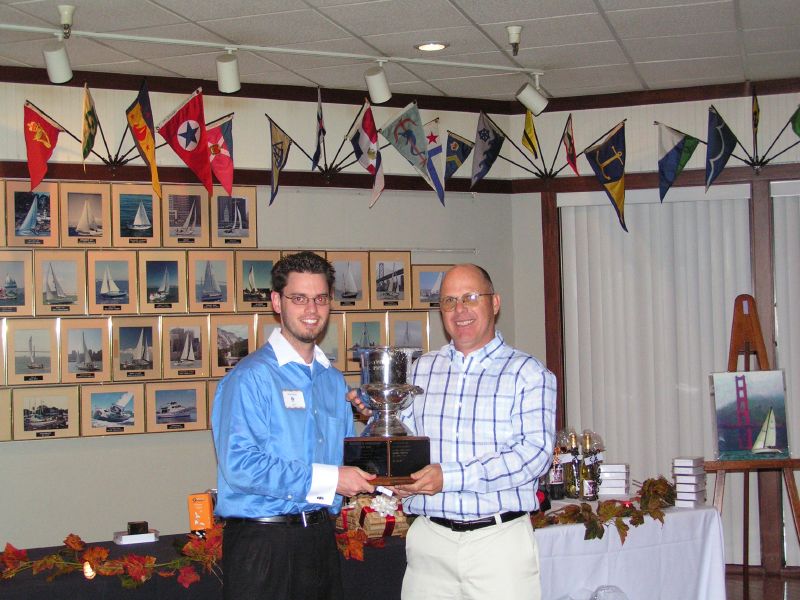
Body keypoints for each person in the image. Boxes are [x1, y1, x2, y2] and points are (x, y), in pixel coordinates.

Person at [350, 263, 556, 600]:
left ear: (495, 303)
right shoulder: (422, 369)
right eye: (448, 301)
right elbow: (409, 443)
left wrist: (450, 477)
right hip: (429, 542)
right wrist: (381, 427)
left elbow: (532, 457)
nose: (459, 310)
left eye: (470, 298)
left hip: (499, 544)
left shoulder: (529, 373)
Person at [212, 251, 375, 600]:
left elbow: (346, 462)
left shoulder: (333, 382)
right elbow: (241, 466)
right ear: (276, 302)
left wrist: (378, 422)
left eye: (320, 299)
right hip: (262, 545)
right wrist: (331, 479)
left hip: (318, 539)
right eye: (299, 299)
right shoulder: (250, 378)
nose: (312, 310)